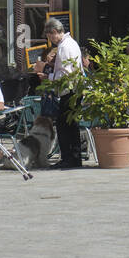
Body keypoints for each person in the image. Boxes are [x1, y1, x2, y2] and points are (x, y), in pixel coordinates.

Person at [36, 19, 83, 169]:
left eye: (49, 36)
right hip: (74, 89)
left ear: (54, 32)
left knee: (64, 126)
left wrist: (47, 77)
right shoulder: (71, 43)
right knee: (71, 125)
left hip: (69, 90)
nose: (50, 40)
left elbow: (66, 73)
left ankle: (68, 158)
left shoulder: (64, 46)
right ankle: (75, 158)